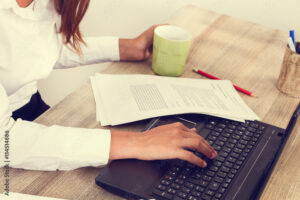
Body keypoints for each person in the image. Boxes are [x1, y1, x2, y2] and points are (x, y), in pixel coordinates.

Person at [0, 0, 217, 171]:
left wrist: (128, 47)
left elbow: (36, 48)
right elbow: (5, 143)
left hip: (30, 109)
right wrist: (138, 143)